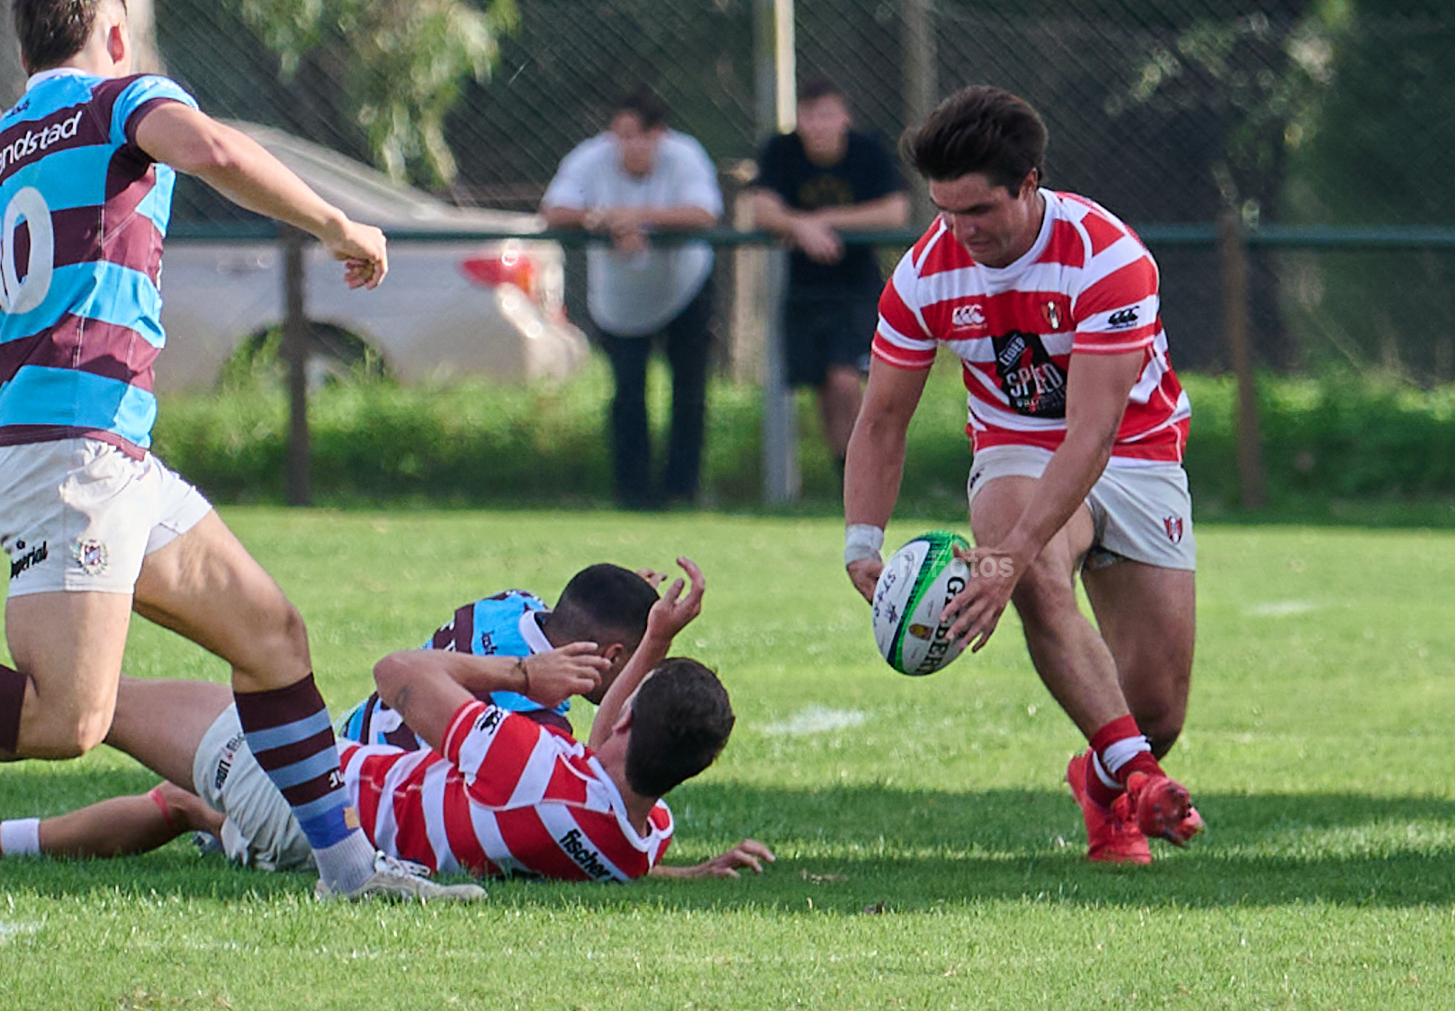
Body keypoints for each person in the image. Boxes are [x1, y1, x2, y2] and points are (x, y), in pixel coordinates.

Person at [0, 0, 478, 901]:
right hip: (73, 448)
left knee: (271, 635)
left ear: (24, 54)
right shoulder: (121, 96)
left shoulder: (9, 138)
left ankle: (349, 871)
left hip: (101, 448)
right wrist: (338, 222)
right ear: (114, 37)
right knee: (69, 718)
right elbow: (211, 149)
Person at [842, 86, 1205, 865]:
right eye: (944, 210)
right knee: (1027, 554)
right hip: (1014, 445)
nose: (960, 232)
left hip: (1133, 449)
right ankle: (1138, 776)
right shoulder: (923, 275)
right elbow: (881, 419)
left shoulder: (1107, 258)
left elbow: (1095, 431)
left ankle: (1104, 774)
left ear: (1028, 183)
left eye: (978, 211)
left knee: (1158, 708)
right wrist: (861, 541)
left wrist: (1007, 557)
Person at [0, 558, 775, 882]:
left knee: (91, 702)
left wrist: (523, 676)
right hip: (341, 803)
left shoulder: (540, 766)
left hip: (313, 791)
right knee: (177, 797)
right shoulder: (643, 832)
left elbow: (397, 672)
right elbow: (612, 752)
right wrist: (657, 643)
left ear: (629, 725)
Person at [541, 89, 723, 509]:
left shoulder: (685, 155)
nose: (630, 145)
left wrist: (637, 218)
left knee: (690, 391)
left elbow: (704, 212)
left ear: (660, 135)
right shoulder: (590, 157)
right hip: (620, 301)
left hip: (684, 289)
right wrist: (600, 220)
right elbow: (554, 209)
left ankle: (682, 491)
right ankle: (632, 493)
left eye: (641, 135)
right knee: (626, 393)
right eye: (621, 135)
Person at [748, 77, 909, 472]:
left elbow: (894, 212)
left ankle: (867, 469)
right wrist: (799, 227)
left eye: (826, 115)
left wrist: (823, 220)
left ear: (844, 118)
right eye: (809, 116)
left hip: (856, 289)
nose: (817, 125)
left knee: (844, 380)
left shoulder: (867, 151)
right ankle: (846, 475)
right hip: (804, 289)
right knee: (823, 387)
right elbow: (760, 209)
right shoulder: (781, 151)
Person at [336, 562, 663, 749]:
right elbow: (586, 809)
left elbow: (578, 615)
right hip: (362, 797)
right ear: (614, 656)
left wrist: (627, 601)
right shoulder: (535, 721)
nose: (640, 678)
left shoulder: (510, 603)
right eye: (642, 662)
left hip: (347, 734)